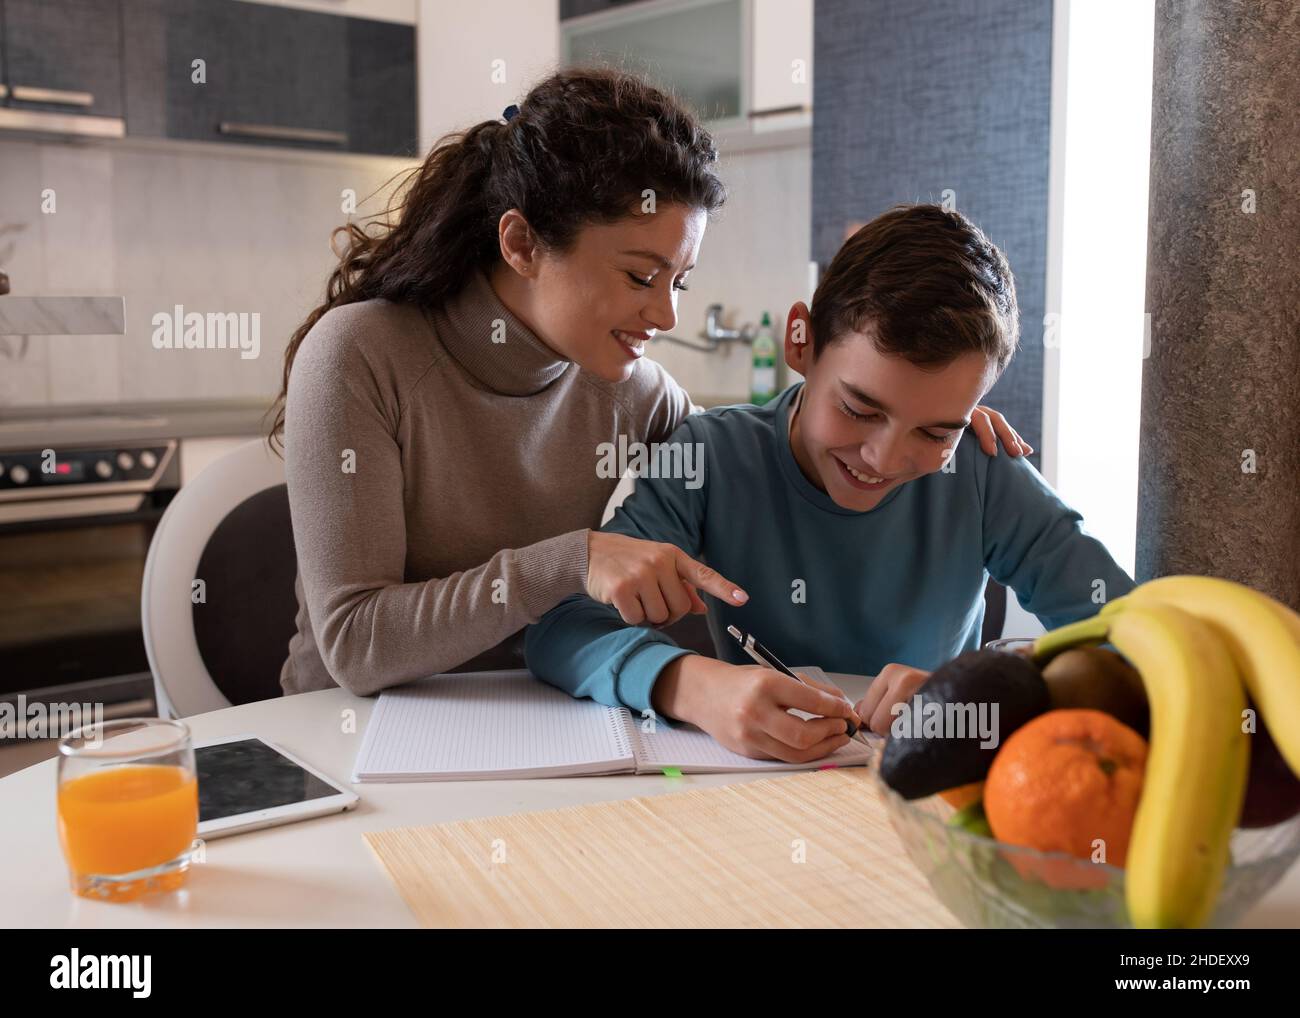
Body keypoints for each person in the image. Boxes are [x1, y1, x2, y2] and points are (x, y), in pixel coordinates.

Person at [269, 68, 1030, 698]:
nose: (664, 313)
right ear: (522, 242)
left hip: (552, 735)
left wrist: (934, 424)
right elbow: (356, 644)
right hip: (347, 741)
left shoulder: (641, 394)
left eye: (681, 282)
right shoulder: (360, 356)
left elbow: (769, 465)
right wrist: (572, 560)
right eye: (640, 275)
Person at [524, 204, 1134, 763]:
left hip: (930, 800)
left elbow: (1137, 638)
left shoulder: (981, 468)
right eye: (861, 409)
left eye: (934, 430)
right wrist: (694, 687)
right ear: (802, 340)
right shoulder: (710, 456)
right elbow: (563, 629)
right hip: (756, 798)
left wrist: (981, 695)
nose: (884, 458)